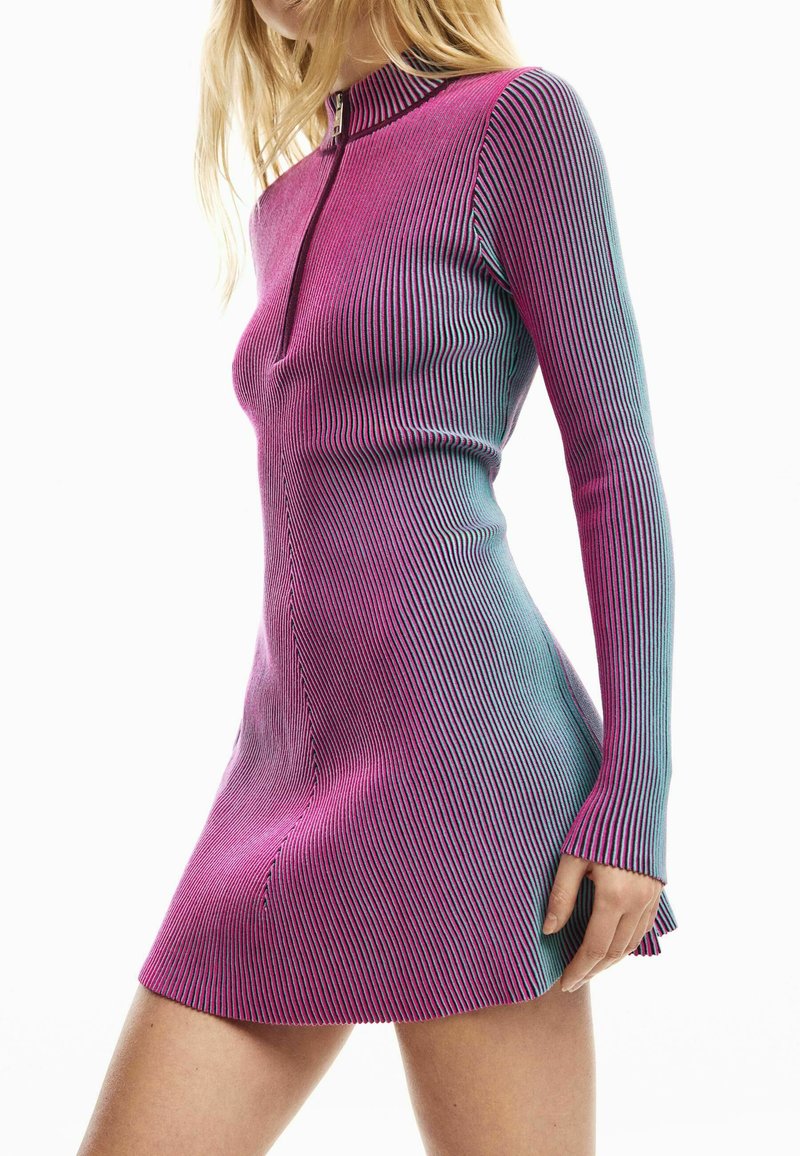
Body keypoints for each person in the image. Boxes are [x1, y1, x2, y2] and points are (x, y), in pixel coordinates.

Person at [78, 2, 678, 1153]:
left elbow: (613, 462)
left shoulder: (517, 124)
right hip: (281, 765)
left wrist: (633, 793)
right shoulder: (282, 200)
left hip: (464, 768)